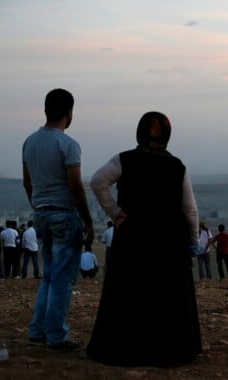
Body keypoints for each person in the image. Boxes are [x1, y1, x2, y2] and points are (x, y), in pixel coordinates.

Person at [87, 111, 202, 367]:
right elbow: (190, 209)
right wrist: (193, 240)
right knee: (166, 297)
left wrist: (115, 212)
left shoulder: (124, 160)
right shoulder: (176, 166)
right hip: (169, 243)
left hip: (132, 239)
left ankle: (125, 349)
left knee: (130, 292)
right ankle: (168, 351)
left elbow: (97, 181)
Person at [23, 88, 94, 352]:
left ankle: (37, 330)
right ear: (69, 112)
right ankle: (56, 336)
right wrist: (87, 220)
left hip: (40, 212)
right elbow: (75, 186)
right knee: (62, 280)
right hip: (64, 214)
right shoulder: (68, 144)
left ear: (45, 110)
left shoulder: (29, 142)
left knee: (49, 276)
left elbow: (26, 182)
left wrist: (37, 205)